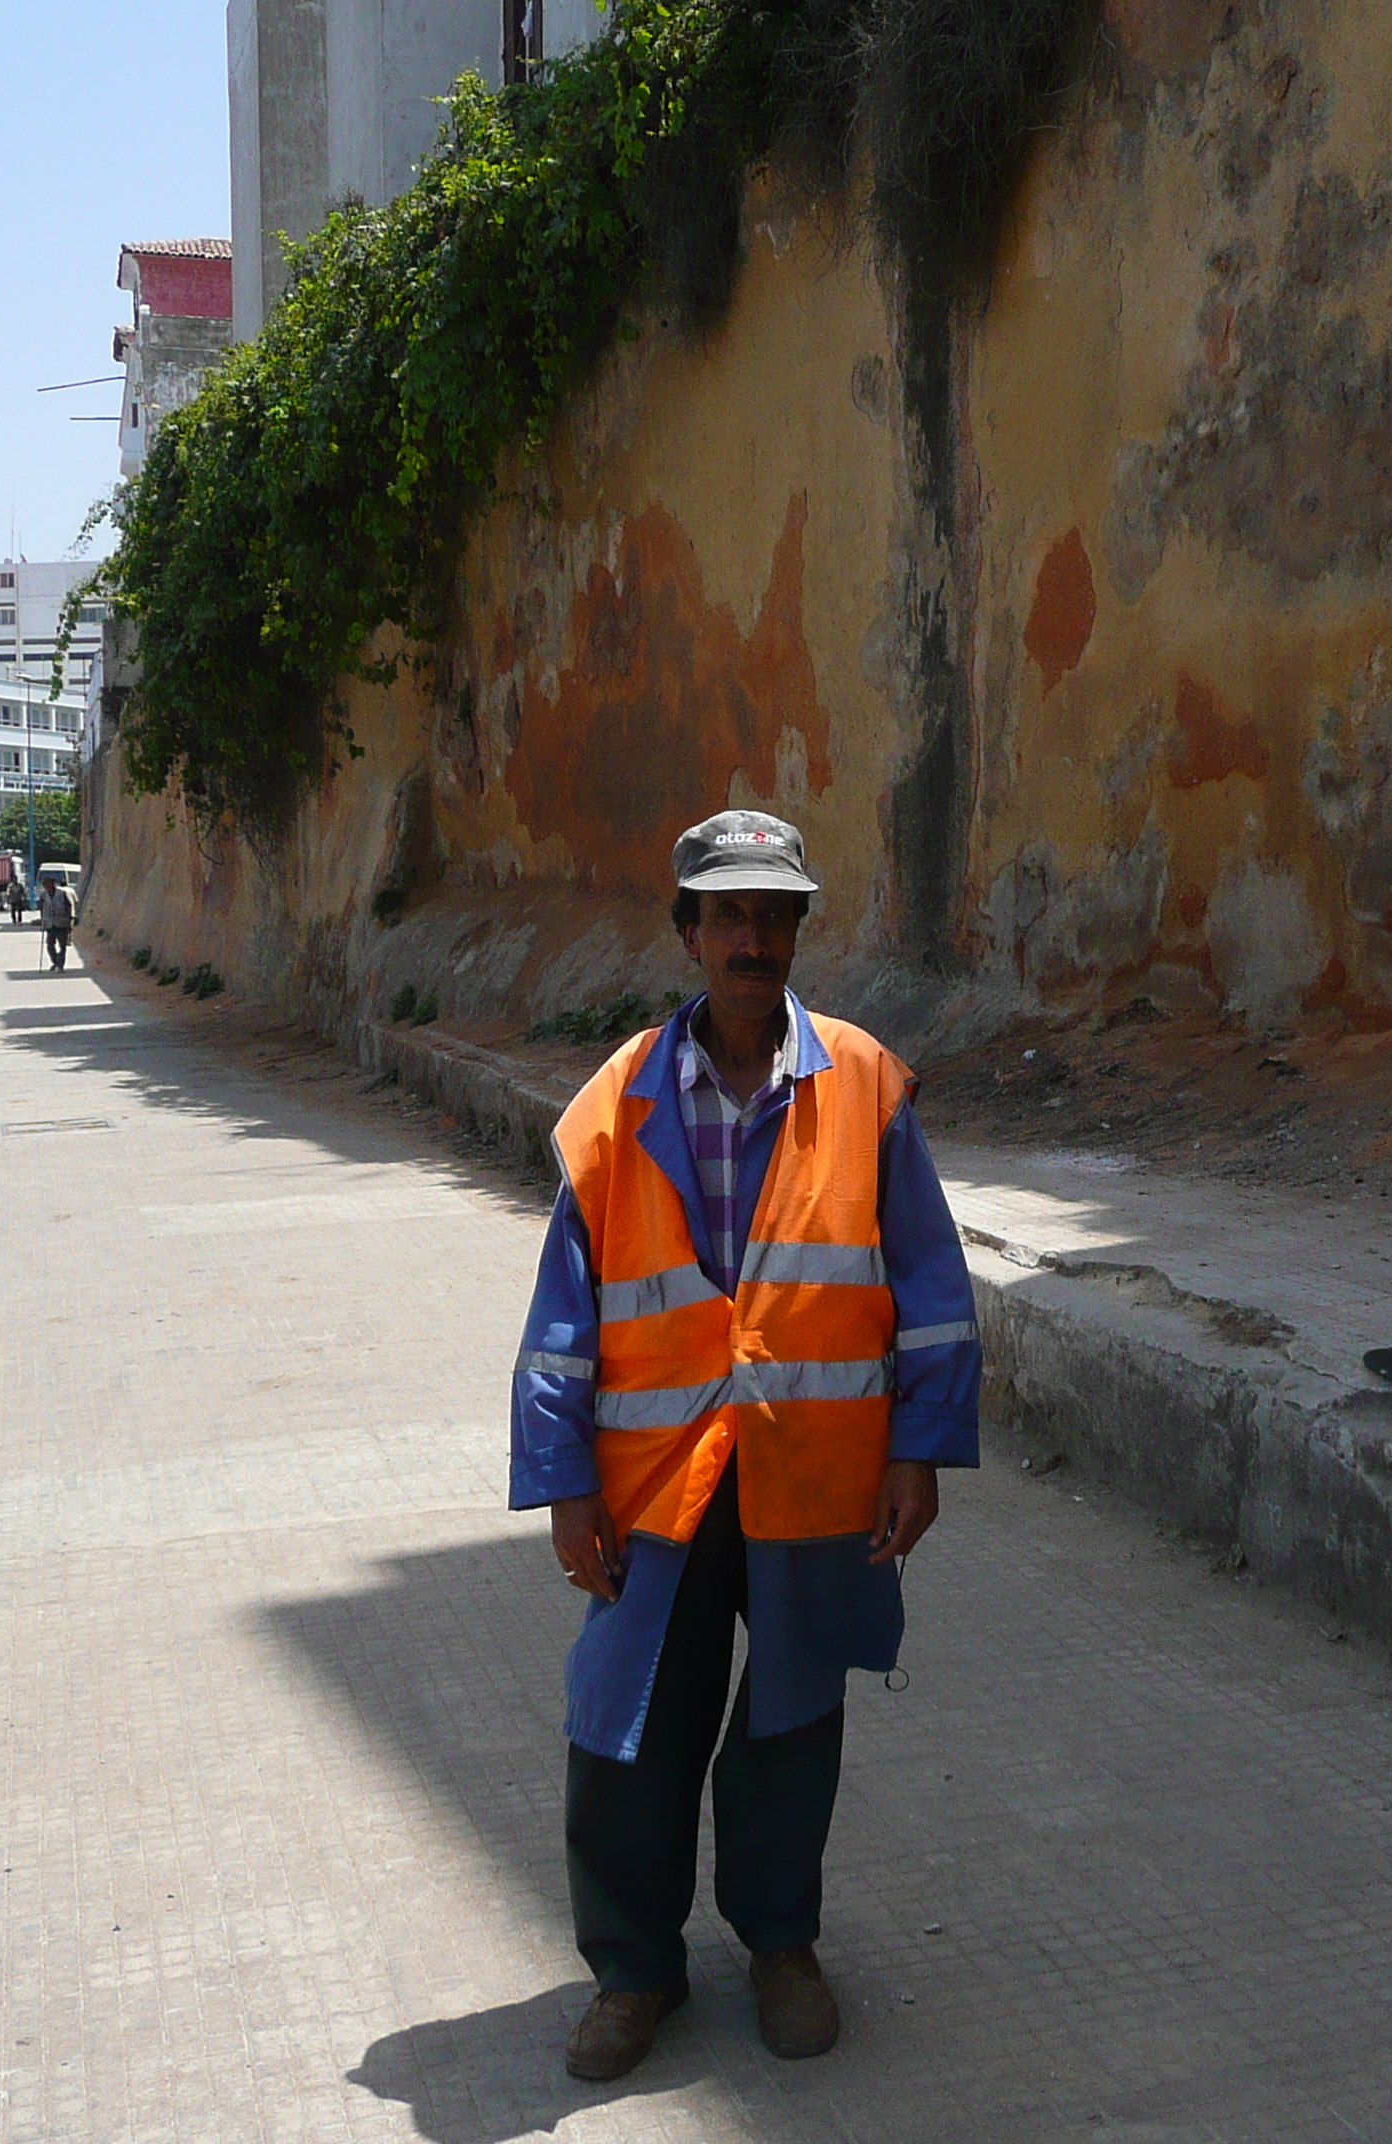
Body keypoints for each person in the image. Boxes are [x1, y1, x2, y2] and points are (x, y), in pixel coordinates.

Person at [511, 809, 981, 2083]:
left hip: (810, 1473)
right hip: (656, 1483)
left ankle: (781, 1943)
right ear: (688, 932)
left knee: (792, 1714)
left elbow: (931, 1285)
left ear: (796, 934)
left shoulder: (866, 1087)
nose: (753, 937)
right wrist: (560, 1482)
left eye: (775, 915)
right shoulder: (612, 1105)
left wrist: (918, 1449)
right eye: (728, 913)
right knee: (629, 1720)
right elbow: (563, 1319)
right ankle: (632, 1968)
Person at [39, 874, 77, 971]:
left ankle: (60, 965)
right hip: (50, 923)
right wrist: (42, 922)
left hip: (62, 922)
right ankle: (55, 961)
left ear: (52, 884)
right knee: (50, 945)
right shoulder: (43, 895)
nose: (46, 886)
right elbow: (41, 909)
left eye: (47, 883)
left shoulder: (62, 893)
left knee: (62, 945)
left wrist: (69, 921)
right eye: (44, 884)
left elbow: (68, 907)